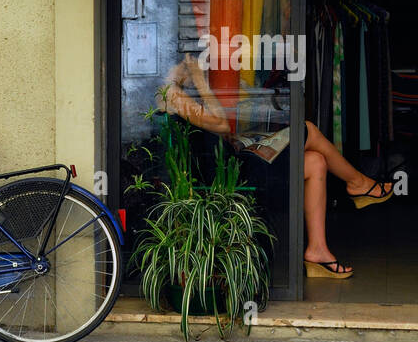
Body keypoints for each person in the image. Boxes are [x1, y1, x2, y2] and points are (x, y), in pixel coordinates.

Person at [159, 55, 393, 280]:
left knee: (315, 162)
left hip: (232, 164)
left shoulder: (176, 93)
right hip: (230, 176)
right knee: (307, 130)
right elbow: (220, 123)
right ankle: (357, 183)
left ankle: (317, 250)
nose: (188, 66)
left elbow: (218, 131)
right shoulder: (172, 93)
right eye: (184, 62)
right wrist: (201, 81)